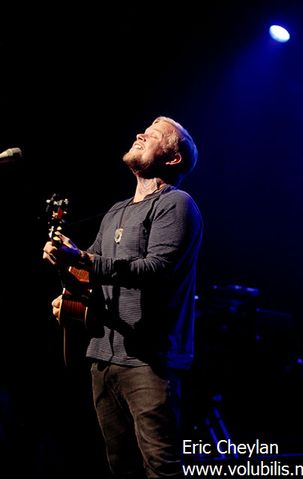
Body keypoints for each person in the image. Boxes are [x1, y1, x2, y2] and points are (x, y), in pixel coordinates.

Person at [42, 116, 203, 478]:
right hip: (102, 358)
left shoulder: (176, 204)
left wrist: (82, 259)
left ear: (173, 158)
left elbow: (155, 269)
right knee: (121, 467)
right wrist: (65, 269)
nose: (140, 134)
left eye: (154, 134)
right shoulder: (116, 211)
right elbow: (89, 272)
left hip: (150, 362)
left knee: (161, 468)